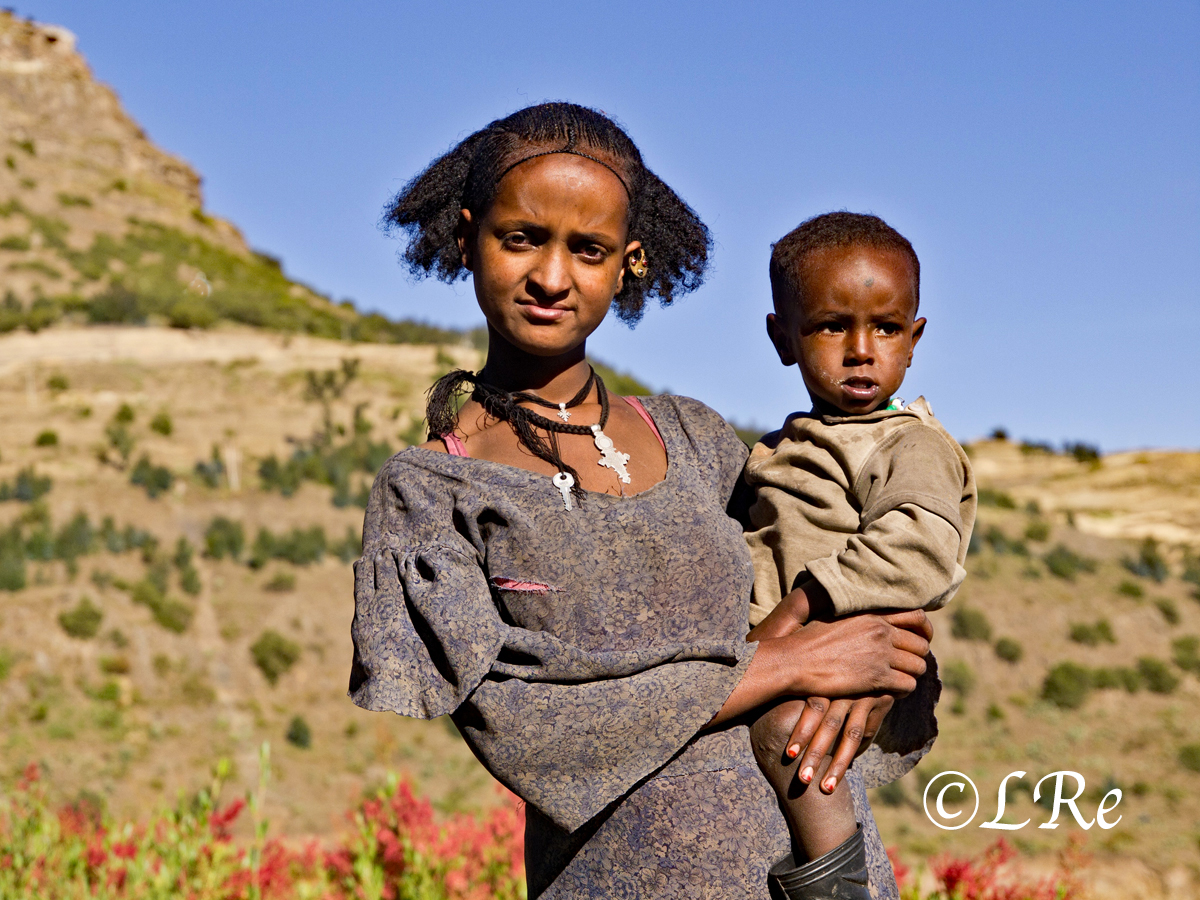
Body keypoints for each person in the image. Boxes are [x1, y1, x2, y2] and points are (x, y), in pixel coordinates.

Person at [348, 103, 934, 899]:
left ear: (628, 265)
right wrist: (783, 664)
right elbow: (528, 730)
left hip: (828, 878)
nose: (553, 276)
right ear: (466, 239)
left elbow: (839, 571)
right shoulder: (434, 492)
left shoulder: (696, 439)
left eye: (587, 250)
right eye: (521, 237)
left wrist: (878, 661)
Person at [739, 212, 977, 898]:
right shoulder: (794, 442)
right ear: (783, 337)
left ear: (915, 337)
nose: (861, 349)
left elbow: (920, 547)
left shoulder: (907, 445)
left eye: (887, 327)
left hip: (847, 666)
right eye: (829, 326)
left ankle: (835, 888)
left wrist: (799, 607)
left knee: (793, 738)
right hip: (793, 657)